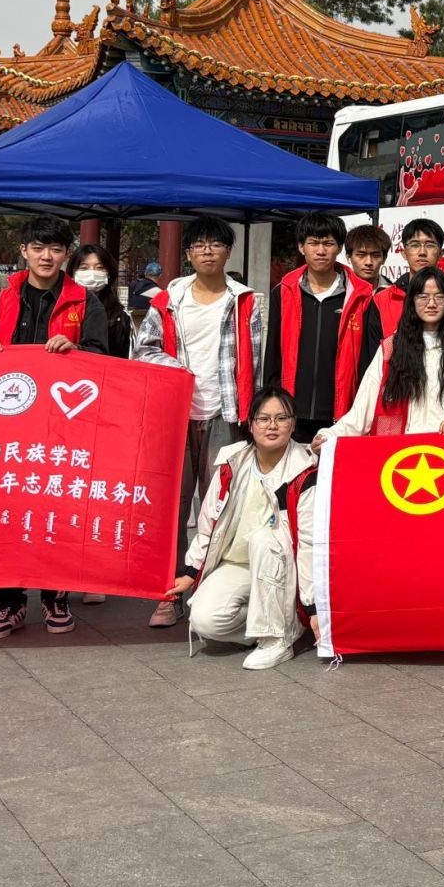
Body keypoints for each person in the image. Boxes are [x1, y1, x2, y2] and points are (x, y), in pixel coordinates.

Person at [0, 215, 110, 637]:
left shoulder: (85, 303)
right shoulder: (1, 299)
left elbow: (104, 361)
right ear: (23, 251)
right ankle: (9, 602)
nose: (47, 256)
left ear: (66, 254)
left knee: (58, 510)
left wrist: (76, 349)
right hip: (6, 428)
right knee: (5, 512)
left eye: (56, 249)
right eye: (38, 247)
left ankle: (55, 595)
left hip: (61, 426)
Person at [134, 214, 268, 628]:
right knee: (172, 506)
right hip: (176, 415)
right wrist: (179, 372)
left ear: (228, 252)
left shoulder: (246, 302)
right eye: (199, 245)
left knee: (219, 507)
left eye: (216, 244)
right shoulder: (168, 302)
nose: (208, 251)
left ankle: (209, 587)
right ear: (188, 254)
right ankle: (167, 593)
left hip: (226, 415)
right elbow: (144, 351)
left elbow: (258, 363)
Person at [164, 386, 315, 669]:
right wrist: (192, 572)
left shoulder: (305, 469)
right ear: (251, 424)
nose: (272, 426)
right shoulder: (232, 462)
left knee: (264, 539)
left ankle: (277, 639)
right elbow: (209, 523)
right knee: (205, 620)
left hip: (285, 567)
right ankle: (282, 624)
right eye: (263, 418)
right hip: (238, 563)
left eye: (281, 418)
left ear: (293, 423)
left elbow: (309, 544)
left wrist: (312, 606)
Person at [317, 266, 444, 438]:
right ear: (412, 301)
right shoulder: (391, 349)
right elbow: (361, 412)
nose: (431, 304)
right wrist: (329, 435)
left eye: (439, 297)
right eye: (423, 297)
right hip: (401, 450)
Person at [263, 212, 381, 444]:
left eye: (328, 244)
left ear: (339, 248)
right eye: (313, 243)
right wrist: (273, 400)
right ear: (301, 247)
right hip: (292, 411)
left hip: (341, 414)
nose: (320, 251)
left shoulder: (361, 296)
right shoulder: (284, 291)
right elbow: (273, 353)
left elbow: (368, 359)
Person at [375, 218, 444, 336]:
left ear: (441, 253)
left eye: (430, 245)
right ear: (404, 253)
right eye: (415, 245)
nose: (422, 252)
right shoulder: (381, 300)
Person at [68, 242, 132, 358]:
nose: (92, 273)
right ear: (72, 273)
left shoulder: (120, 317)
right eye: (84, 268)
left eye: (100, 268)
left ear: (108, 274)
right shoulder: (61, 308)